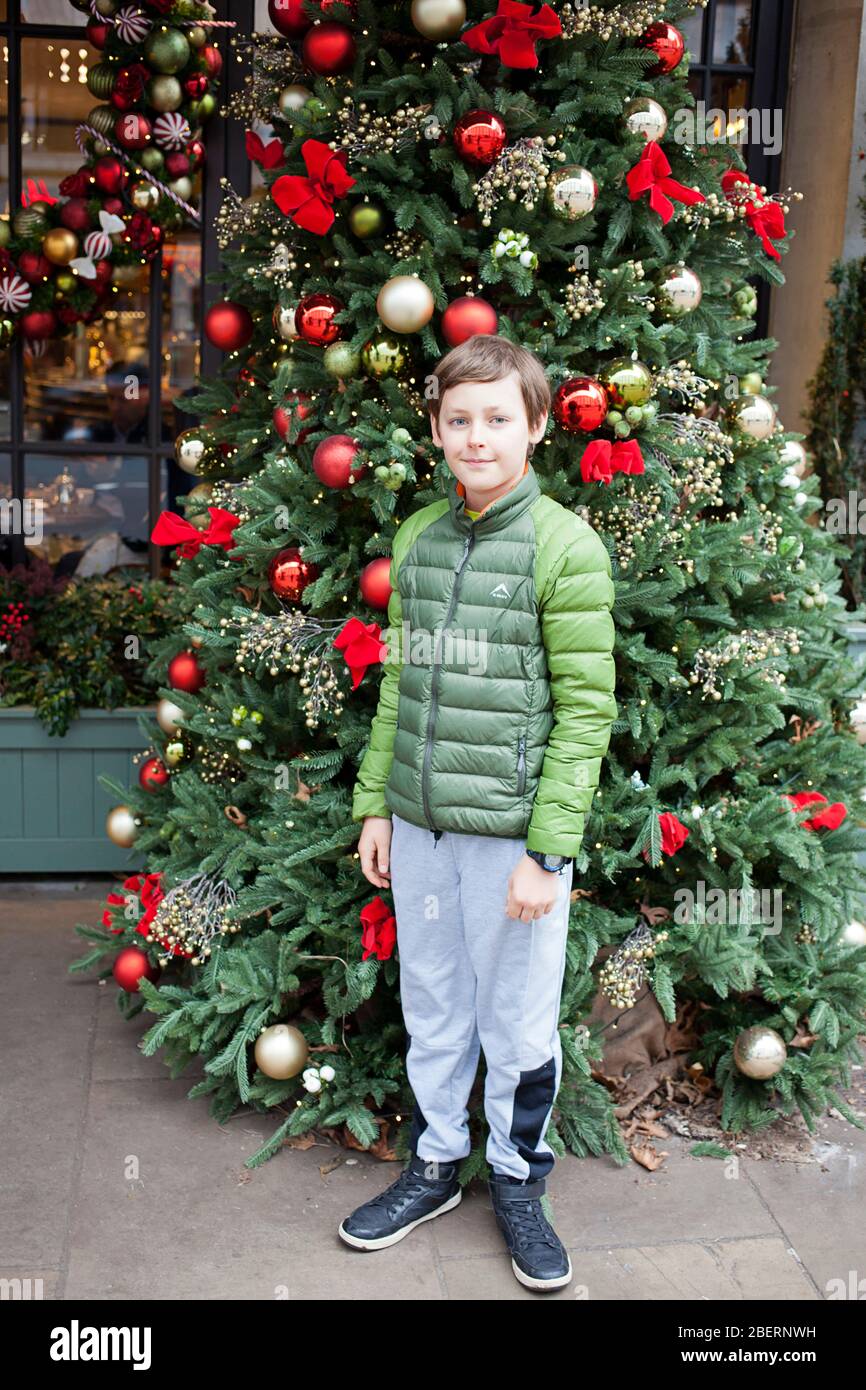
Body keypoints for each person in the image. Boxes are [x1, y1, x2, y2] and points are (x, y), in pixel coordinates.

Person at [340, 334, 618, 1293]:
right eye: (459, 420)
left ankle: (517, 1178)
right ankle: (434, 1166)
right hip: (421, 830)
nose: (477, 437)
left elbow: (587, 712)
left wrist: (549, 852)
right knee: (435, 1008)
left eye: (499, 418)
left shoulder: (564, 547)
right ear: (435, 428)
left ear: (538, 428)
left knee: (517, 1022)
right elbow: (400, 686)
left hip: (512, 845)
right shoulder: (417, 535)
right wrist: (378, 803)